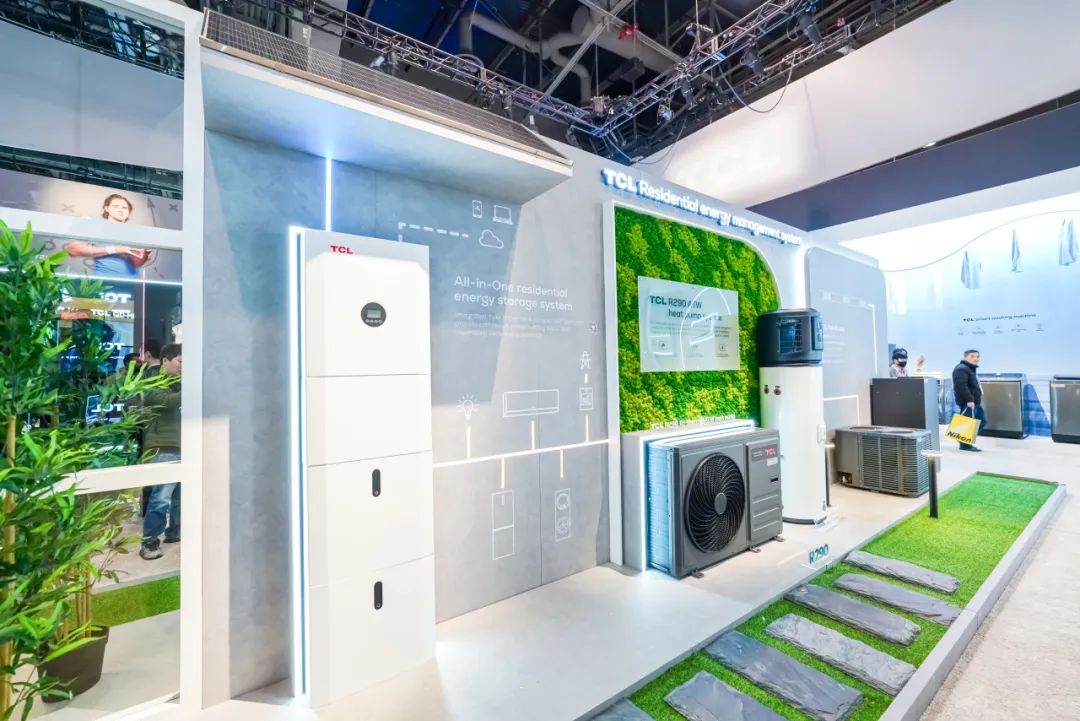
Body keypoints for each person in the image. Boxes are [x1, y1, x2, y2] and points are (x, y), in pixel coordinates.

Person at [140, 343, 182, 560]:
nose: (183, 367)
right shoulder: (153, 382)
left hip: (182, 445)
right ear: (165, 360)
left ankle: (175, 533)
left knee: (179, 496)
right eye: (180, 361)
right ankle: (149, 542)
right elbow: (166, 402)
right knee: (161, 497)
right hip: (162, 446)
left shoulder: (178, 384)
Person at [64, 195, 152, 278]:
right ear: (106, 208)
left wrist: (143, 256)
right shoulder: (95, 225)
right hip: (104, 281)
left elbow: (136, 263)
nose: (120, 210)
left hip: (132, 282)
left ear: (129, 212)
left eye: (124, 208)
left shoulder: (134, 233)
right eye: (115, 206)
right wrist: (114, 249)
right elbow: (73, 250)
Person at [952, 349, 986, 452]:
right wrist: (969, 400)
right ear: (965, 357)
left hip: (975, 402)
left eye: (977, 356)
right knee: (967, 423)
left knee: (981, 421)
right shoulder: (961, 369)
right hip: (969, 402)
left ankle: (962, 438)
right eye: (972, 356)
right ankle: (965, 445)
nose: (976, 358)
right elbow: (961, 386)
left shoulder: (969, 368)